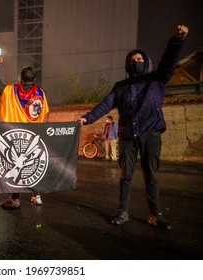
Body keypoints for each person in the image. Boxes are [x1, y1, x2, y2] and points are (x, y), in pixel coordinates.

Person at [78, 25, 189, 231]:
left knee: (151, 175)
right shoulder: (120, 86)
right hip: (128, 135)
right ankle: (123, 212)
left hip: (151, 133)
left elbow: (169, 62)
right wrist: (87, 118)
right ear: (128, 65)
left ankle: (155, 215)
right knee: (126, 176)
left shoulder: (156, 79)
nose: (136, 62)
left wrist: (177, 40)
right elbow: (104, 104)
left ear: (145, 62)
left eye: (139, 59)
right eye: (132, 60)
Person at [0, 56, 50, 209]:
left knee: (18, 166)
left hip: (16, 135)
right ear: (34, 79)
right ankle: (36, 195)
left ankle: (15, 199)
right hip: (34, 135)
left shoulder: (11, 91)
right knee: (34, 165)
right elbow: (45, 114)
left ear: (21, 79)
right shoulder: (41, 93)